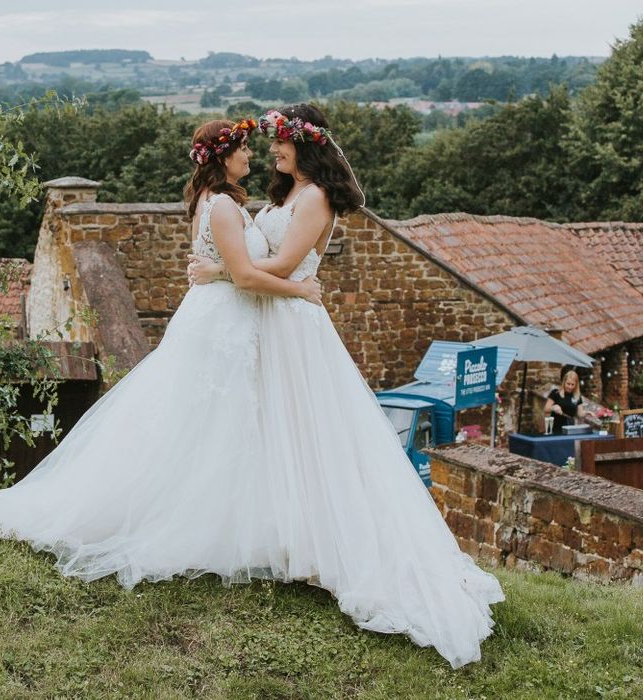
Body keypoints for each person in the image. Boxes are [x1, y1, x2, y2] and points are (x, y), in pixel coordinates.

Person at [188, 104, 504, 669]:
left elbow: (281, 266)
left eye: (281, 144)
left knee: (317, 435)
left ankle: (340, 549)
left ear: (304, 146)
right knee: (278, 431)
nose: (273, 153)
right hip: (272, 321)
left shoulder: (314, 199)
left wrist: (222, 272)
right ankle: (293, 539)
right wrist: (227, 268)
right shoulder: (287, 194)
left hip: (294, 325)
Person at [0, 118, 322, 588]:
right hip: (221, 322)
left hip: (226, 316)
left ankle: (227, 520)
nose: (252, 156)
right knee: (207, 421)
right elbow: (246, 275)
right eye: (244, 149)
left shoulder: (219, 202)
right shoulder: (223, 209)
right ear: (222, 157)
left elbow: (231, 269)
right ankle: (189, 524)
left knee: (217, 422)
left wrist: (218, 272)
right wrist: (297, 288)